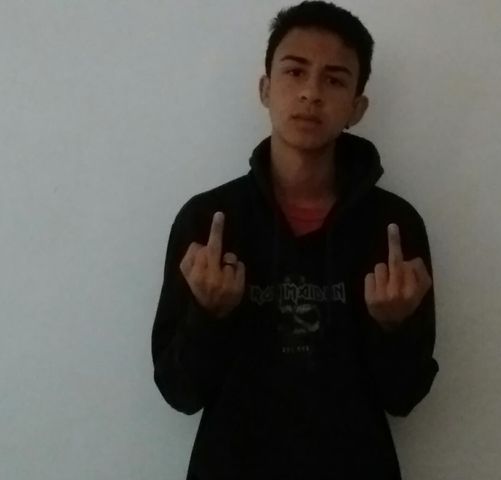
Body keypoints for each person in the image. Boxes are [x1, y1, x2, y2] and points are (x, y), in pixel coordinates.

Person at [151, 1, 439, 479]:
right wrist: (208, 315)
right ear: (265, 89)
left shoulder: (393, 227)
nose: (310, 93)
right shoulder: (209, 223)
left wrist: (394, 328)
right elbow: (179, 392)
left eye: (334, 80)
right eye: (294, 71)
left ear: (357, 107)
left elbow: (403, 397)